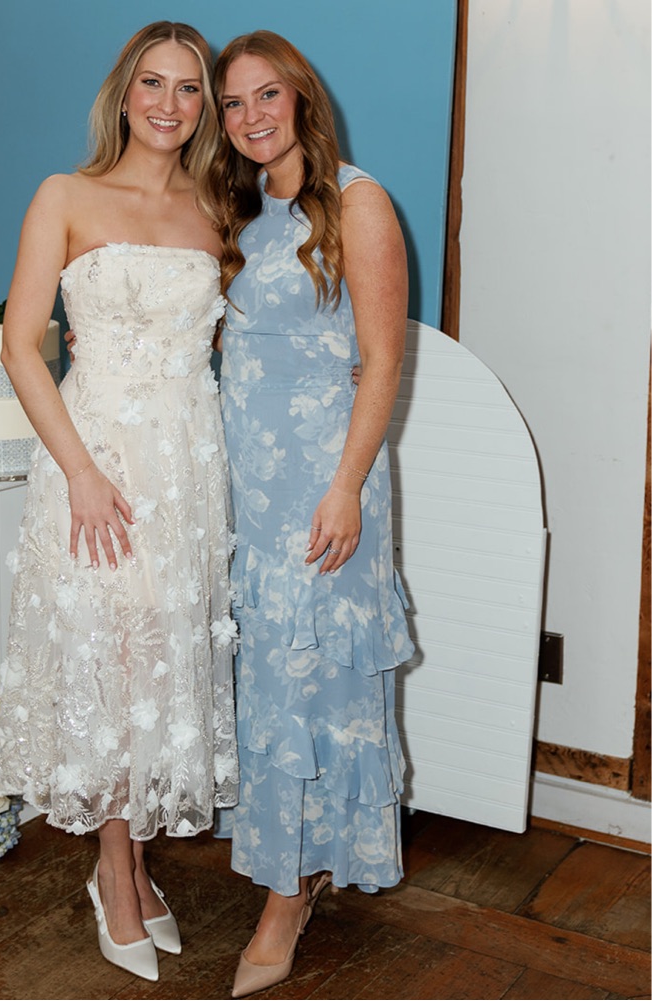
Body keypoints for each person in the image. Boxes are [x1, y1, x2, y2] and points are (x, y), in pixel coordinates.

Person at [0, 21, 238, 984]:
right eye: (152, 83)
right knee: (117, 658)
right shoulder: (65, 194)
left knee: (159, 658)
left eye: (188, 88)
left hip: (186, 471)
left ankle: (125, 863)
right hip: (93, 466)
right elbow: (20, 344)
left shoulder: (218, 208)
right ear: (124, 93)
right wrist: (83, 472)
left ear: (203, 106)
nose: (169, 104)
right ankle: (115, 875)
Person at [209, 30, 415, 998]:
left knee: (309, 681)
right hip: (248, 491)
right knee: (271, 684)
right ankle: (302, 857)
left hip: (326, 487)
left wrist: (345, 487)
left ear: (301, 99)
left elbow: (383, 361)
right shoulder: (242, 211)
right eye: (233, 103)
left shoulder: (358, 202)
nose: (250, 116)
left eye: (267, 95)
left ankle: (284, 899)